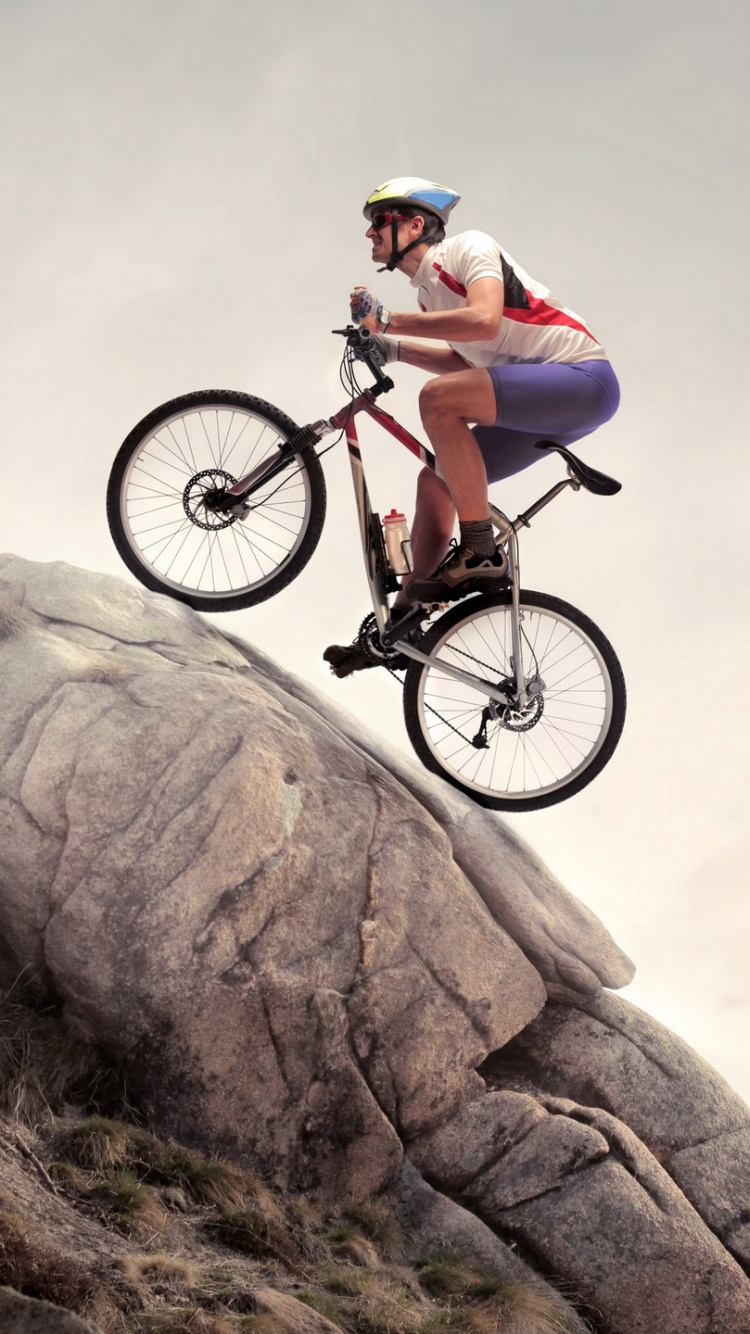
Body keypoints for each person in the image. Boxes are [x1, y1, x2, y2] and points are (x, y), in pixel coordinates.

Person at [324, 176, 620, 677]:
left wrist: (389, 322)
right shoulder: (429, 297)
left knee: (438, 400)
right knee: (436, 482)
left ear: (415, 225)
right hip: (538, 401)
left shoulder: (468, 248)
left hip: (582, 380)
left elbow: (483, 320)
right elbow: (468, 366)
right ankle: (400, 625)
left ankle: (480, 550)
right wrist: (392, 349)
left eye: (379, 221)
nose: (369, 233)